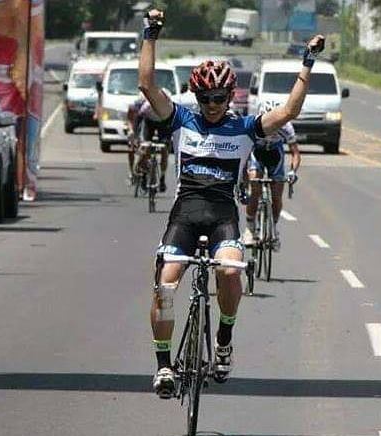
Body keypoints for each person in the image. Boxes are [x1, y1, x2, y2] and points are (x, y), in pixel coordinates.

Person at [138, 9, 325, 398]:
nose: (211, 105)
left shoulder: (244, 128)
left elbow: (289, 112)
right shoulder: (180, 120)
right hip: (184, 217)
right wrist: (150, 34)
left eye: (218, 98)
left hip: (223, 217)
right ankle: (164, 366)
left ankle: (223, 338)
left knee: (227, 273)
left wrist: (307, 64)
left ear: (229, 97)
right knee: (165, 287)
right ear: (197, 96)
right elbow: (146, 85)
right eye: (205, 98)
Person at [243, 101, 301, 251]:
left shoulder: (286, 127)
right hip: (258, 153)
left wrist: (293, 172)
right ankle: (250, 228)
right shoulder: (254, 124)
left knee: (276, 196)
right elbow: (243, 151)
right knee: (254, 188)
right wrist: (244, 174)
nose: (272, 123)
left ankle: (273, 228)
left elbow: (295, 153)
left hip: (275, 154)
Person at [127, 90, 172, 192]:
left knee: (165, 149)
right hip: (149, 122)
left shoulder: (169, 105)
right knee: (146, 147)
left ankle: (162, 178)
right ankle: (143, 174)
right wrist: (134, 134)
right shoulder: (146, 106)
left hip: (164, 123)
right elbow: (138, 119)